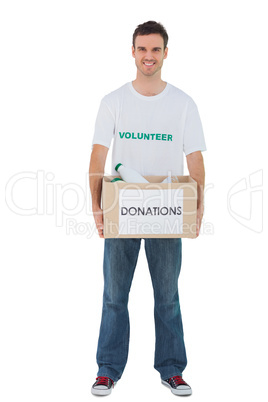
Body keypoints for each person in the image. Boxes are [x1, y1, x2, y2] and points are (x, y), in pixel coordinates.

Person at [89, 21, 206, 397]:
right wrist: (96, 205)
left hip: (168, 211)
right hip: (123, 212)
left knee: (168, 297)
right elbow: (98, 157)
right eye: (142, 49)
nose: (149, 56)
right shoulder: (114, 101)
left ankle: (172, 369)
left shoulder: (183, 103)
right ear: (133, 52)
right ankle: (107, 369)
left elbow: (195, 159)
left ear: (165, 53)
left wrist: (198, 208)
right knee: (114, 295)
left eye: (155, 49)